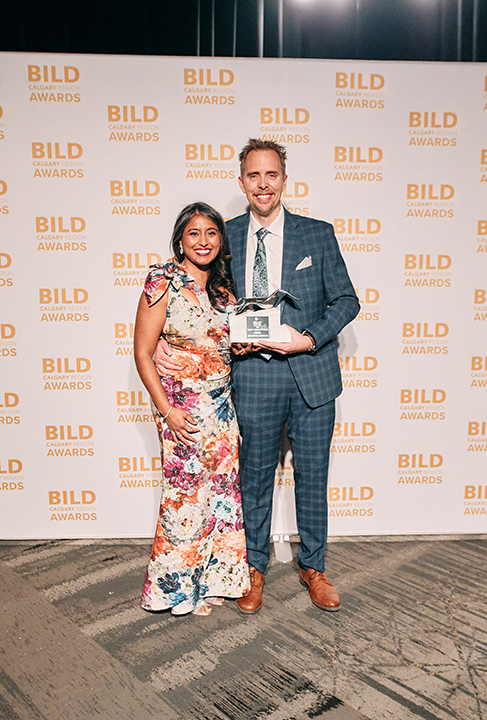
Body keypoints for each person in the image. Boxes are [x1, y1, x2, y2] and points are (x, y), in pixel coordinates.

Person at [157, 140, 359, 613]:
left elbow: (346, 301)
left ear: (284, 180)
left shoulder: (318, 234)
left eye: (271, 175)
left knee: (313, 477)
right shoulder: (222, 236)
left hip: (312, 376)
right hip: (251, 377)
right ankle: (253, 568)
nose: (263, 184)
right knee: (252, 479)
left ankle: (314, 567)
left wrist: (307, 338)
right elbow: (189, 292)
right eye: (254, 176)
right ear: (242, 181)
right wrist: (164, 336)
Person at [134, 202, 250, 616]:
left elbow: (224, 346)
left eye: (211, 233)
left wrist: (242, 345)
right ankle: (177, 590)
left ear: (221, 240)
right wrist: (167, 411)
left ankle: (214, 582)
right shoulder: (161, 281)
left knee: (221, 495)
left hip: (222, 408)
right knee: (185, 496)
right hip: (181, 408)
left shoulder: (224, 292)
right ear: (180, 240)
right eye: (194, 233)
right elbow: (143, 353)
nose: (203, 241)